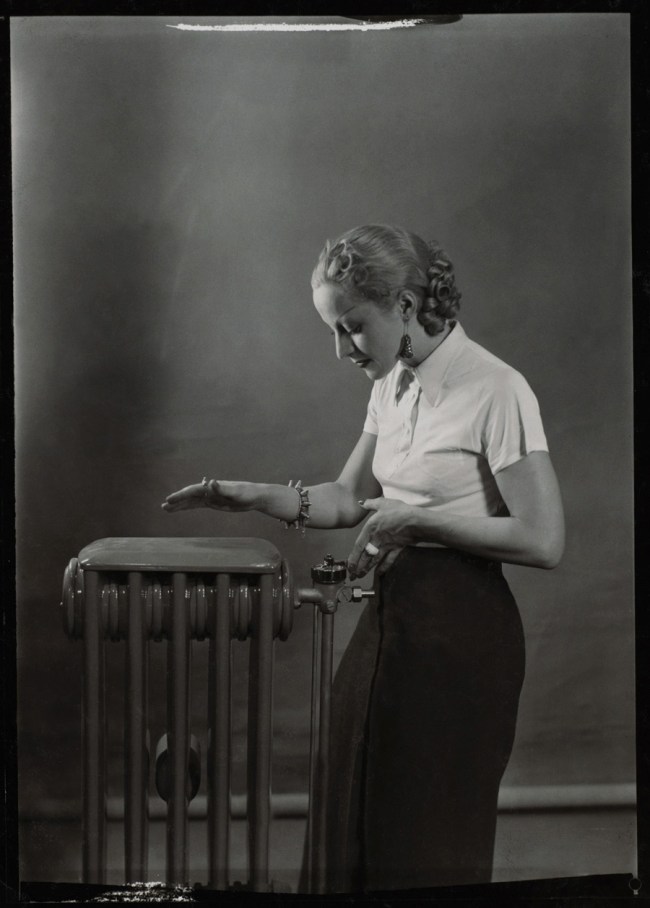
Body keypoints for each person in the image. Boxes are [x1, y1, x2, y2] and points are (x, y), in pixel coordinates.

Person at [162, 224, 565, 893]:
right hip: (394, 620)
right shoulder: (393, 385)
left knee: (423, 834)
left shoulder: (497, 389)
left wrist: (413, 519)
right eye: (333, 330)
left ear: (405, 306)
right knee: (350, 809)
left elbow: (544, 539)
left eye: (352, 328)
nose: (342, 349)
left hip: (463, 635)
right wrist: (251, 496)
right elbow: (349, 498)